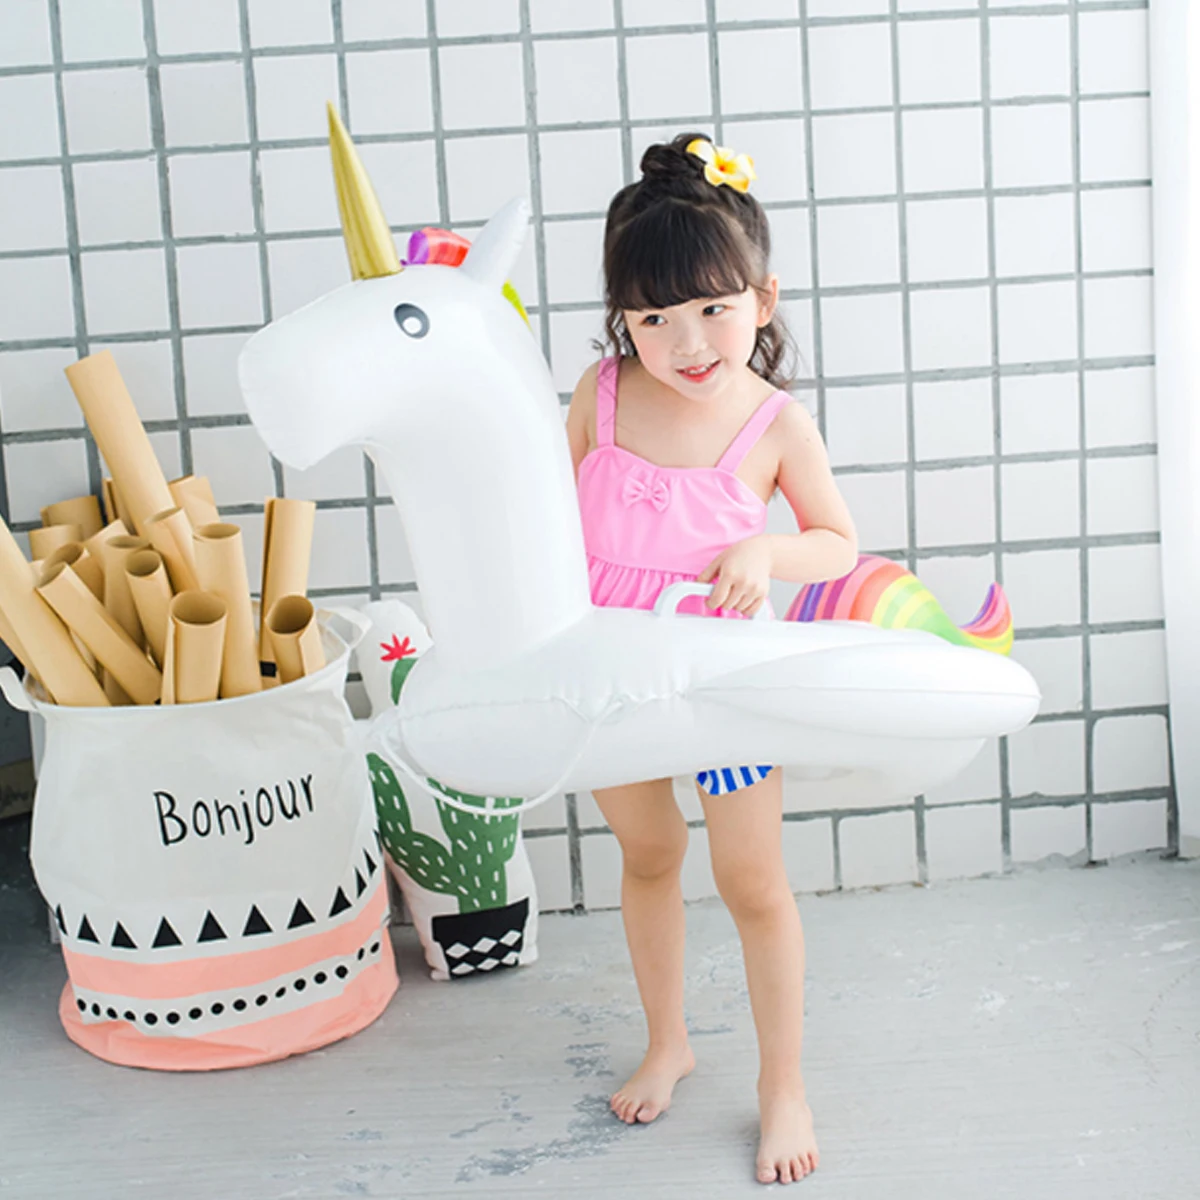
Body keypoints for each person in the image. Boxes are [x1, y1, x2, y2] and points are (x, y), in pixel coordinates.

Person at [565, 133, 858, 1186]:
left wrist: (765, 550)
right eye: (653, 319)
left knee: (751, 880)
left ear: (762, 300)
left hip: (724, 684)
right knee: (648, 852)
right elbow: (549, 523)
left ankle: (783, 1084)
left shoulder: (775, 422)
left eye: (712, 309)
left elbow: (838, 542)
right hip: (612, 674)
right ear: (623, 320)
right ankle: (669, 1042)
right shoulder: (600, 395)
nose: (686, 342)